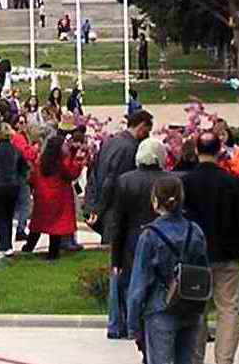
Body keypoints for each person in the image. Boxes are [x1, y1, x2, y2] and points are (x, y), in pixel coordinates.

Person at [180, 132, 239, 364]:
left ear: (196, 151)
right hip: (227, 254)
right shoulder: (234, 183)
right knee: (228, 308)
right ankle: (224, 359)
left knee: (197, 311)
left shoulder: (185, 183)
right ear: (219, 151)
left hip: (194, 257)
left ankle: (195, 358)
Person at [126, 176, 209, 364]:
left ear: (155, 201)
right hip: (190, 306)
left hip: (160, 308)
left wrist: (132, 324)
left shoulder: (149, 236)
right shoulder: (195, 231)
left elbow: (139, 283)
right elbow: (204, 270)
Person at [105, 138, 168, 337]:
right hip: (160, 237)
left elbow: (119, 220)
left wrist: (116, 255)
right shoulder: (168, 180)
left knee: (130, 283)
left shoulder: (125, 180)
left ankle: (129, 324)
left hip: (132, 237)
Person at [22, 134, 85, 260]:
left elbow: (33, 178)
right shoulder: (60, 164)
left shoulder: (40, 162)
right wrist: (77, 161)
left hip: (42, 197)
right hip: (58, 198)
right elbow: (71, 173)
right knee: (56, 227)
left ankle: (29, 247)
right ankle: (52, 253)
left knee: (38, 224)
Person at [0, 122, 29, 254]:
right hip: (13, 186)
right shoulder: (17, 151)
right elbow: (23, 169)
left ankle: (2, 246)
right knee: (8, 216)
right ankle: (6, 245)